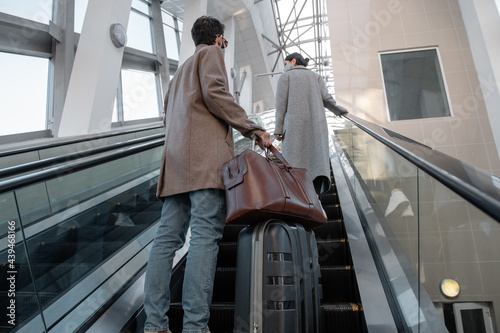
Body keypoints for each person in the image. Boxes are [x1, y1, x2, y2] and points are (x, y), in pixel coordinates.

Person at [143, 16, 272, 333]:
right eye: (224, 40)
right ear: (218, 38)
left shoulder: (178, 73)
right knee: (204, 239)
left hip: (175, 168)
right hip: (204, 164)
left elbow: (167, 116)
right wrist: (254, 129)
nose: (225, 45)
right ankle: (195, 327)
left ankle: (155, 324)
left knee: (165, 242)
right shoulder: (211, 55)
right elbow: (216, 93)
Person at [274, 52, 348, 195]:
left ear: (293, 61)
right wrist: (340, 111)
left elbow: (280, 106)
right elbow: (327, 99)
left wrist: (278, 129)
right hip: (316, 130)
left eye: (285, 64)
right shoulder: (316, 77)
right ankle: (315, 204)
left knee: (294, 171)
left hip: (294, 132)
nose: (284, 67)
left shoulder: (285, 77)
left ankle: (300, 205)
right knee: (315, 170)